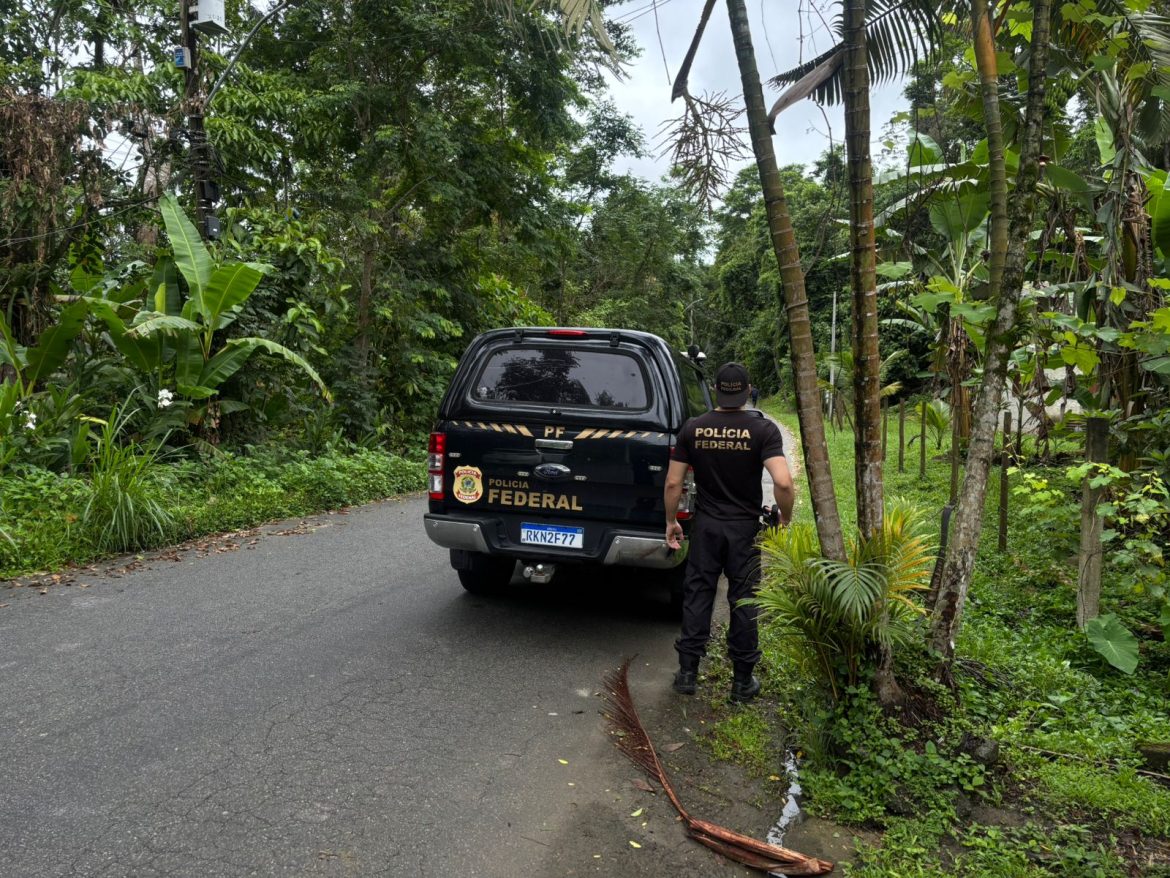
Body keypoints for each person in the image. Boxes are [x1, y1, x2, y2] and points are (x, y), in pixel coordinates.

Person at [664, 362, 794, 702]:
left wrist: (671, 521)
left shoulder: (694, 428)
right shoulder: (763, 430)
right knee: (744, 599)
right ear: (748, 390)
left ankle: (687, 674)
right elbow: (783, 482)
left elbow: (674, 482)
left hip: (706, 527)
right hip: (744, 530)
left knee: (698, 594)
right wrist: (785, 518)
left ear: (716, 390)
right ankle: (742, 682)